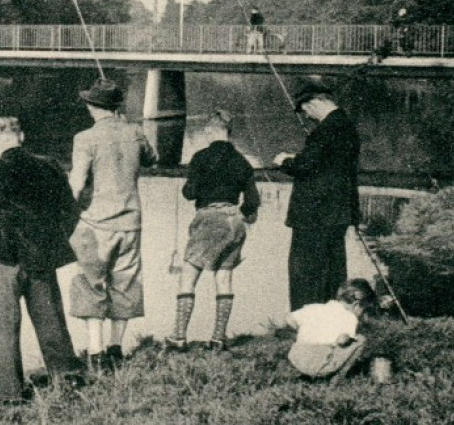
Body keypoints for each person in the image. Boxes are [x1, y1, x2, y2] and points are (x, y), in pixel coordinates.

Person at [0, 116, 85, 401]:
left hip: (3, 258)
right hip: (41, 254)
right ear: (22, 136)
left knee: (5, 325)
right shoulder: (50, 167)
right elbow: (70, 211)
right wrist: (51, 239)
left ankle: (9, 394)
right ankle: (68, 380)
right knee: (50, 318)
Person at [67, 78, 156, 372]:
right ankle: (116, 349)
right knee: (126, 282)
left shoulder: (85, 138)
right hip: (131, 222)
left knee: (91, 282)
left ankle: (96, 351)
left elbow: (77, 185)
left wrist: (66, 211)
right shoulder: (135, 132)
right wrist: (132, 130)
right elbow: (152, 159)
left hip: (96, 223)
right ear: (116, 106)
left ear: (92, 106)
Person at [167, 109, 260, 352]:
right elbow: (252, 201)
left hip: (209, 219)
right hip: (234, 220)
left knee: (189, 276)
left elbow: (190, 193)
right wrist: (241, 214)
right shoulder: (243, 161)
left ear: (211, 130)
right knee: (224, 276)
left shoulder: (200, 157)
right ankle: (218, 339)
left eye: (206, 130)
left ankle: (178, 337)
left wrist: (192, 185)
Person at [273, 82, 362, 311]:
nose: (306, 115)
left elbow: (305, 167)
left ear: (314, 102)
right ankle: (334, 316)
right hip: (338, 212)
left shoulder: (326, 130)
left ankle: (306, 320)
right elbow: (326, 164)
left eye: (305, 109)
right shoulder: (346, 126)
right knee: (333, 270)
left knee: (306, 272)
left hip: (314, 215)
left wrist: (285, 161)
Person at [286, 278, 375, 379]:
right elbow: (342, 341)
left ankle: (305, 376)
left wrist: (304, 331)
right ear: (356, 305)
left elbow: (289, 319)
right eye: (364, 310)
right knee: (361, 340)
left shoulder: (315, 307)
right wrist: (345, 341)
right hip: (319, 364)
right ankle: (337, 379)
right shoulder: (350, 318)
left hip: (296, 358)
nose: (363, 314)